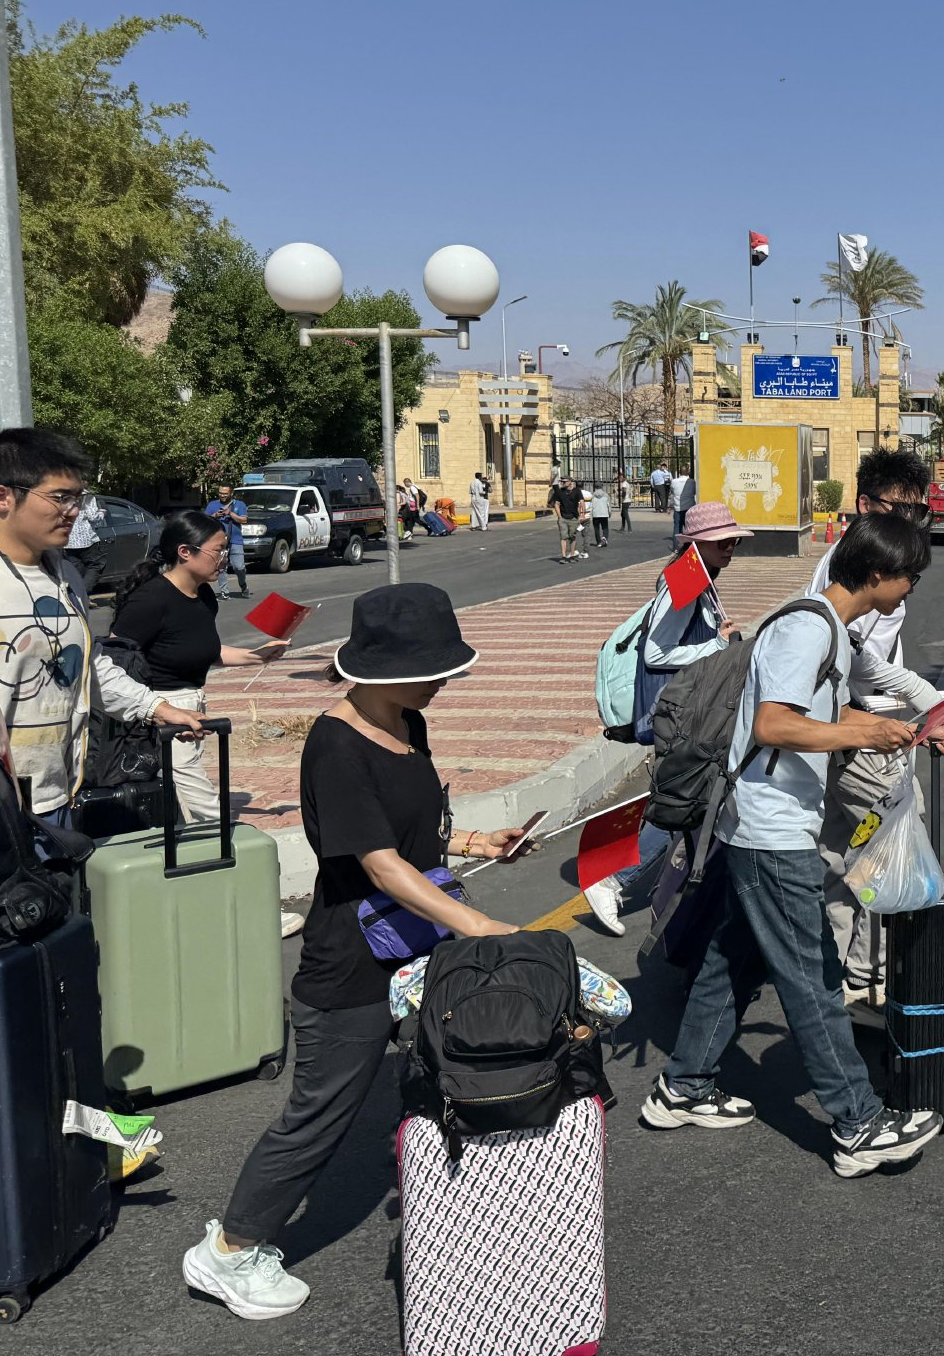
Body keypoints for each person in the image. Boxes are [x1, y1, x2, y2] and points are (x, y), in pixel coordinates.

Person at [180, 583, 533, 1322]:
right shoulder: (335, 746)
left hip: (411, 944)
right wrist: (476, 926)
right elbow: (380, 865)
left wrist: (478, 843)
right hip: (350, 963)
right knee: (318, 1116)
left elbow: (415, 833)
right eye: (431, 670)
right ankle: (229, 1250)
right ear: (380, 671)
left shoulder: (408, 722)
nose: (443, 682)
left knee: (433, 1075)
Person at [642, 510, 944, 1180]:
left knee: (735, 958)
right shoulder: (807, 628)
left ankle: (682, 1086)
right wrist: (863, 735)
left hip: (770, 825)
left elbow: (822, 712)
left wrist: (893, 726)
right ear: (877, 574)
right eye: (910, 578)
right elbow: (776, 725)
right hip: (771, 829)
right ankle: (858, 1124)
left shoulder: (828, 628)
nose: (911, 591)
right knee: (813, 977)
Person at [0, 428, 206, 829]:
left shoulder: (66, 577)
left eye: (77, 498)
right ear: (3, 497)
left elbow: (87, 667)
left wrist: (157, 708)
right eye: (60, 497)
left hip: (55, 796)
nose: (74, 511)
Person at [808, 449, 944, 1005]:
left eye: (919, 512)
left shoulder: (860, 561)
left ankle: (835, 978)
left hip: (863, 726)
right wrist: (902, 713)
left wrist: (920, 703)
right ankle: (866, 977)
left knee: (840, 856)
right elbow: (855, 665)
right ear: (865, 505)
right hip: (861, 734)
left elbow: (860, 659)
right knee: (892, 847)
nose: (912, 523)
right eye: (901, 510)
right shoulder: (858, 572)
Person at [583, 502, 748, 935]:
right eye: (720, 541)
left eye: (733, 539)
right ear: (695, 544)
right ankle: (613, 880)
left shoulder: (695, 576)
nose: (729, 547)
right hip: (682, 713)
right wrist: (718, 644)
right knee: (688, 801)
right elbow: (657, 653)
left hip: (688, 710)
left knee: (693, 801)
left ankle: (691, 895)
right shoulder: (687, 580)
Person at [109, 511, 289, 823]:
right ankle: (231, 842)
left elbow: (202, 651)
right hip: (160, 712)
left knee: (182, 802)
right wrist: (154, 710)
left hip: (192, 706)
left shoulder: (204, 596)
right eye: (217, 550)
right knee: (202, 806)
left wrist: (258, 656)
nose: (224, 558)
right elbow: (114, 660)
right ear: (185, 552)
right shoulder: (152, 599)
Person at [205, 485, 250, 598]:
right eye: (220, 493)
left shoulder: (239, 505)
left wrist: (230, 513)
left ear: (231, 493)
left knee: (239, 567)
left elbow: (244, 520)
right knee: (221, 567)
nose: (222, 495)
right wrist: (215, 515)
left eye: (225, 493)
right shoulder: (212, 505)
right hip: (218, 541)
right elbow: (204, 521)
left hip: (235, 540)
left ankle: (243, 585)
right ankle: (224, 592)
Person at [64, 489, 107, 594]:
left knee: (77, 571)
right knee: (96, 565)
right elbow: (93, 517)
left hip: (68, 542)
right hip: (87, 540)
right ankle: (82, 593)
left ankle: (77, 595)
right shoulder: (88, 497)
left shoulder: (63, 494)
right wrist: (101, 513)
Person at [551, 473, 586, 563]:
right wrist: (559, 517)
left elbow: (582, 502)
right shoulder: (559, 491)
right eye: (561, 481)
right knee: (563, 537)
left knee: (572, 537)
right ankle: (564, 557)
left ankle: (572, 555)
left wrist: (582, 514)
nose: (562, 483)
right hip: (563, 518)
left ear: (570, 482)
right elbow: (556, 504)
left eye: (564, 481)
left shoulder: (577, 491)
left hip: (573, 518)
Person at [672, 469, 696, 537]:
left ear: (679, 472)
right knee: (689, 528)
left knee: (677, 527)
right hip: (689, 508)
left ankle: (676, 543)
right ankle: (689, 542)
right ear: (688, 472)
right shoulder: (692, 482)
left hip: (678, 508)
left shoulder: (674, 481)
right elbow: (694, 492)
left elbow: (672, 493)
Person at [589, 479, 612, 548]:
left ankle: (598, 542)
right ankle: (604, 537)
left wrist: (590, 514)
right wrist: (609, 512)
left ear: (595, 487)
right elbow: (608, 505)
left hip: (596, 514)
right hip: (604, 513)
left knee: (596, 529)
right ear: (602, 486)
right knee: (605, 527)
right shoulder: (606, 495)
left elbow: (590, 506)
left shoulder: (592, 496)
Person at [614, 468, 633, 533]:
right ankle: (623, 527)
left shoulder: (624, 484)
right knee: (623, 514)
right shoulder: (627, 483)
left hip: (625, 500)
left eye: (620, 478)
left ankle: (629, 528)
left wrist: (620, 496)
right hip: (628, 500)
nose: (619, 479)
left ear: (623, 478)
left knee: (625, 514)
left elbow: (624, 492)